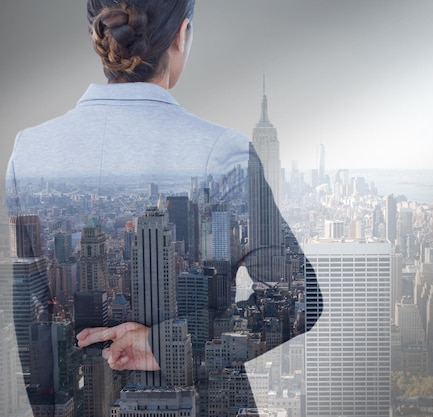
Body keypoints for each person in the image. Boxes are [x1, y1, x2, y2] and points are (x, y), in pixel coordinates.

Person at [4, 0, 321, 414]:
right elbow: (301, 296)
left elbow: (31, 315)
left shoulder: (28, 151)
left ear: (96, 33)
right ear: (181, 35)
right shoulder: (224, 152)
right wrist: (165, 343)